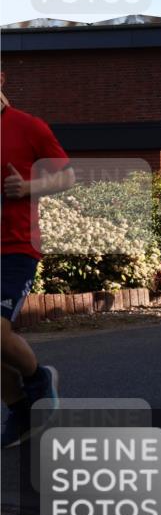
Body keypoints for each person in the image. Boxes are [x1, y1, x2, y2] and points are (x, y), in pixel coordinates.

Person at [1, 72, 76, 448]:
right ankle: (19, 410)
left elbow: (67, 177)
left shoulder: (28, 126)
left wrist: (28, 187)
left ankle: (37, 380)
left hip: (15, 248)